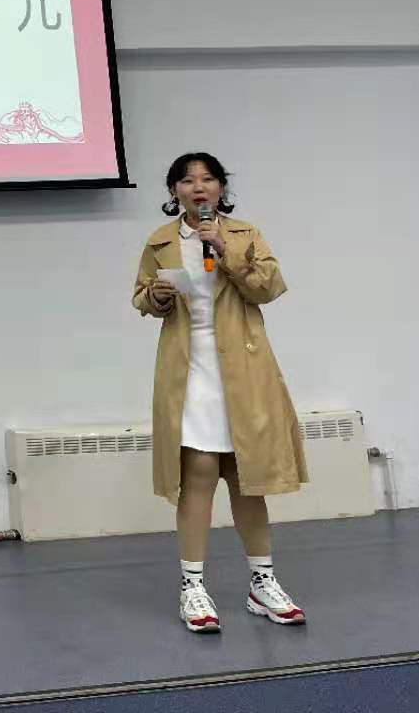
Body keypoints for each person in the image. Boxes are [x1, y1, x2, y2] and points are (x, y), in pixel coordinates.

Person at [132, 153, 309, 633]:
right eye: (187, 180)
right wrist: (157, 297)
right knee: (199, 474)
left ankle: (262, 582)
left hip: (244, 368)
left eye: (208, 179)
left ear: (221, 188)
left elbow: (269, 287)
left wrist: (224, 250)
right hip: (189, 371)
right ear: (174, 191)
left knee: (246, 476)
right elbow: (141, 295)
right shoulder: (160, 241)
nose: (198, 187)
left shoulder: (244, 234)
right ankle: (192, 587)